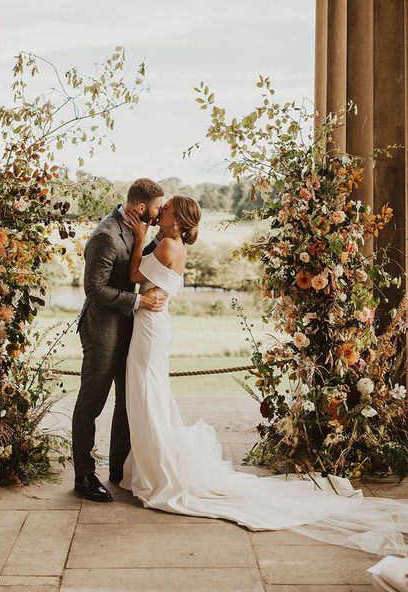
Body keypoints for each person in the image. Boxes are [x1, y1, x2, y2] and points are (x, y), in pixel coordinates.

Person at [120, 194, 408, 557]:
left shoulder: (165, 244)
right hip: (155, 324)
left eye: (166, 208)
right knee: (151, 394)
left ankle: (157, 471)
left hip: (149, 326)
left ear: (176, 219)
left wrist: (135, 237)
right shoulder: (172, 242)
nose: (159, 210)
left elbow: (134, 276)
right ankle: (148, 463)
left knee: (147, 393)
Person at [72, 178, 166, 502]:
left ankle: (118, 470)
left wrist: (169, 237)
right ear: (141, 208)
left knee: (128, 401)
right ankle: (83, 475)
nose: (158, 213)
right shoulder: (105, 236)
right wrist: (139, 302)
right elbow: (94, 289)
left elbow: (134, 266)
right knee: (92, 403)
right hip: (101, 330)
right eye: (156, 210)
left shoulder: (137, 228)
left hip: (127, 329)